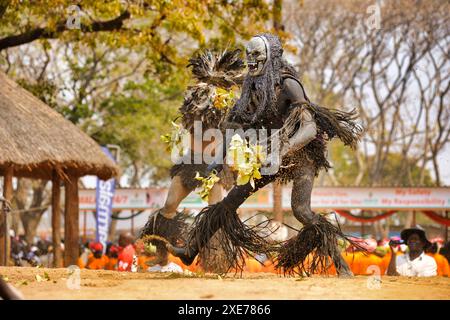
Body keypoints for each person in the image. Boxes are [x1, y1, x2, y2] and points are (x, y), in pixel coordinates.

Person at [168, 33, 362, 276]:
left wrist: (282, 151)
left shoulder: (288, 84)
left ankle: (342, 265)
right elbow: (234, 125)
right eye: (249, 55)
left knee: (301, 211)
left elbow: (310, 127)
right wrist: (217, 161)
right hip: (267, 154)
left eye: (257, 55)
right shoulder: (251, 85)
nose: (251, 61)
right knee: (228, 204)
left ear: (271, 56)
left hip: (301, 154)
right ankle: (191, 251)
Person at [139, 49, 244, 247]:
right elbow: (194, 113)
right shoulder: (195, 101)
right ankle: (160, 250)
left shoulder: (232, 107)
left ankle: (215, 257)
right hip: (191, 161)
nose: (212, 87)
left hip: (216, 166)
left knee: (213, 212)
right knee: (170, 204)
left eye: (218, 83)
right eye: (209, 82)